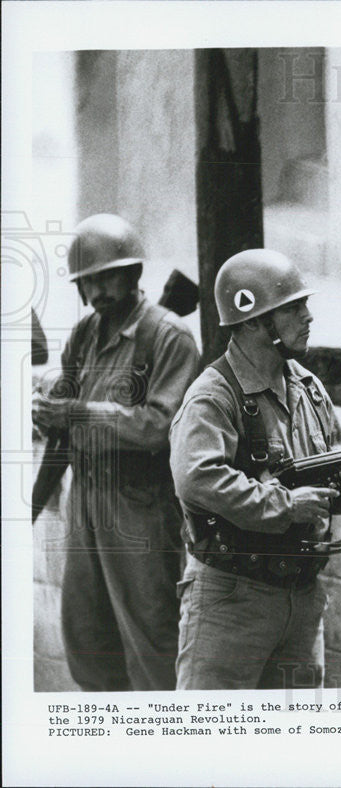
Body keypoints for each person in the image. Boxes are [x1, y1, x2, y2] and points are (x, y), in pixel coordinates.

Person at [169, 249, 341, 690]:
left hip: (301, 598)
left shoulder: (306, 387)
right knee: (210, 743)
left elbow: (340, 479)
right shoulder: (214, 397)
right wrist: (285, 504)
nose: (308, 317)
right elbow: (197, 478)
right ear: (252, 322)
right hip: (231, 602)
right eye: (292, 309)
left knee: (297, 747)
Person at [31, 213, 201, 691]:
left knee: (152, 635)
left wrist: (76, 414)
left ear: (133, 275)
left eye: (108, 276)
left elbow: (160, 426)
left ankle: (166, 744)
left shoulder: (168, 336)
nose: (98, 290)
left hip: (140, 501)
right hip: (85, 496)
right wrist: (47, 414)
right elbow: (64, 416)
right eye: (88, 281)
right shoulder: (86, 334)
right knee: (87, 636)